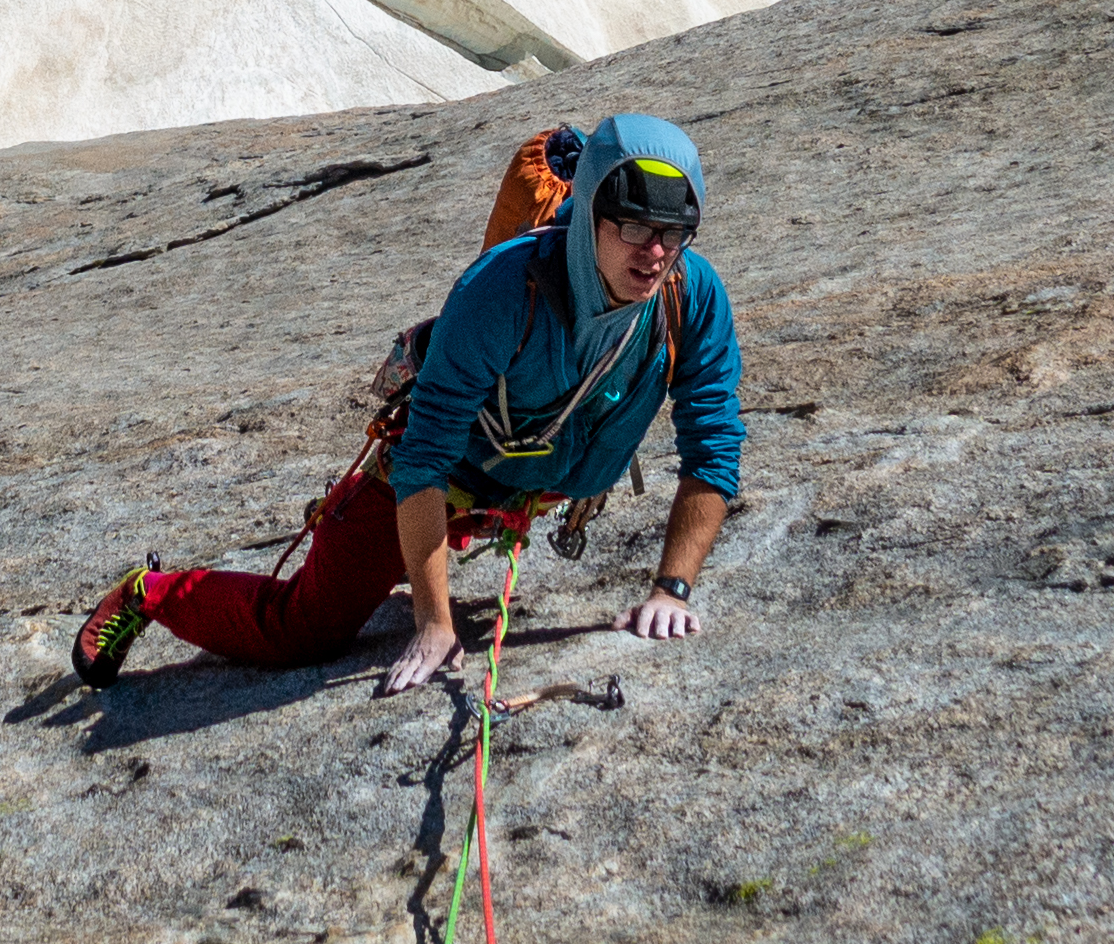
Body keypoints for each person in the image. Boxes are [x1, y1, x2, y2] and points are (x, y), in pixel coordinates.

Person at [77, 113, 743, 696]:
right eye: (631, 226)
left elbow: (712, 438)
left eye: (672, 231)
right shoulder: (504, 291)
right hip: (443, 476)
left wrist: (672, 588)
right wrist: (434, 626)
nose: (654, 253)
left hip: (522, 487)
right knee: (305, 629)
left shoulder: (692, 294)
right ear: (590, 210)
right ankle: (149, 593)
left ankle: (421, 555)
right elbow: (423, 459)